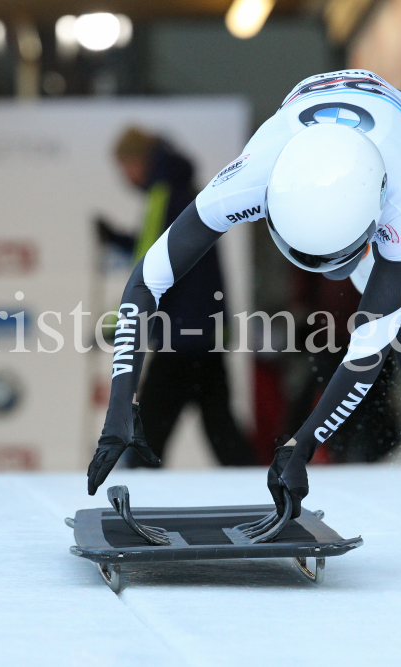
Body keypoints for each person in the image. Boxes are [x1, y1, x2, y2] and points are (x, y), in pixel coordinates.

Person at [87, 70, 401, 519]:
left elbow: (367, 351)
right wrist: (120, 402)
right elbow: (147, 280)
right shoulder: (253, 176)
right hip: (322, 127)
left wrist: (301, 444)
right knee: (389, 285)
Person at [96, 128, 253, 466]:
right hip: (204, 329)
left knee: (151, 426)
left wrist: (117, 322)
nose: (125, 175)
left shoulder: (164, 195)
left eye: (124, 166)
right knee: (220, 428)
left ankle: (131, 490)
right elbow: (168, 249)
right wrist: (120, 240)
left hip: (180, 335)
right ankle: (260, 489)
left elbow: (151, 266)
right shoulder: (185, 193)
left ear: (138, 161)